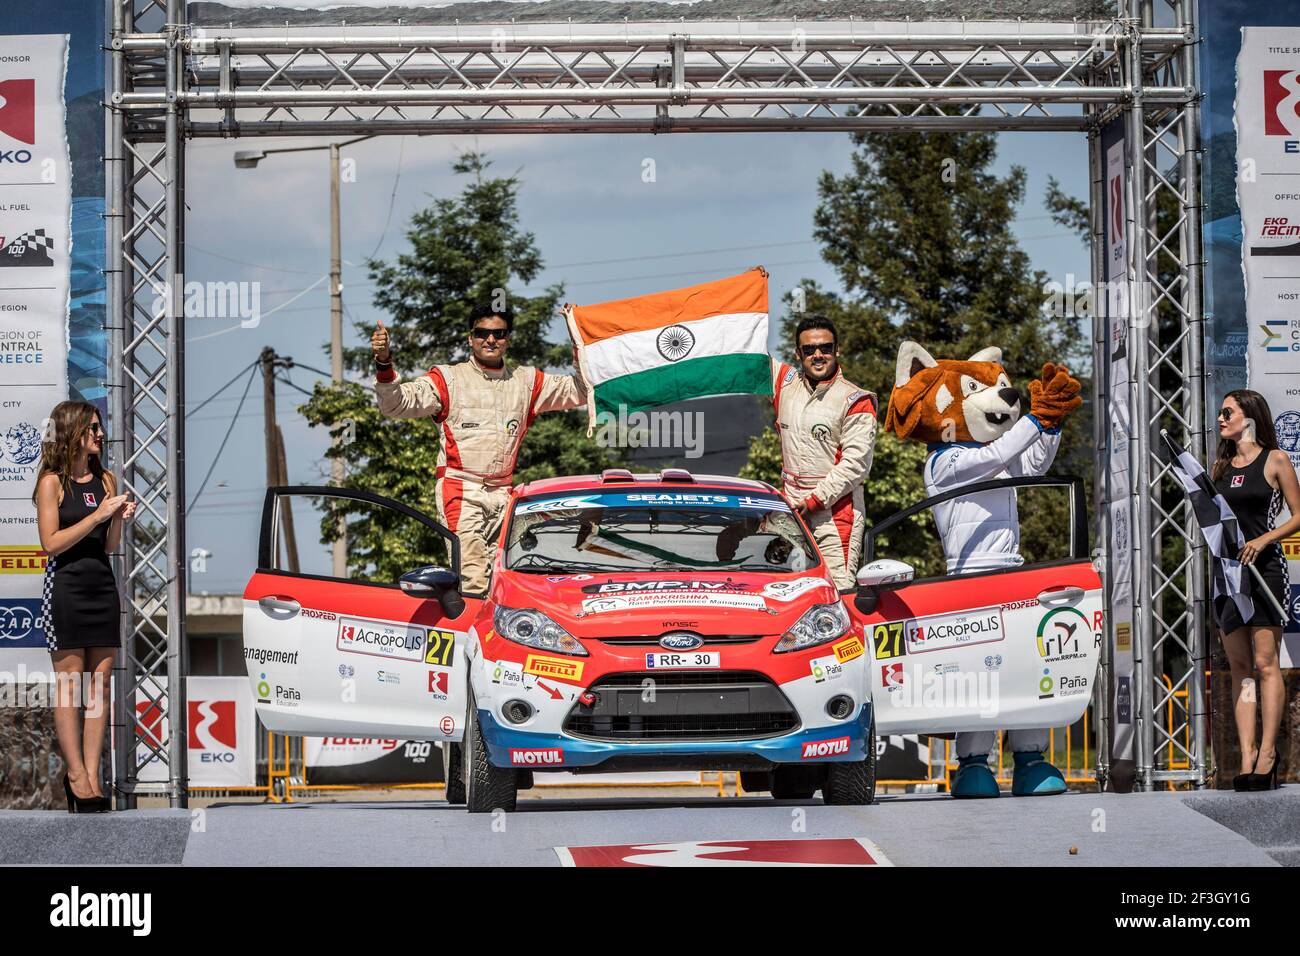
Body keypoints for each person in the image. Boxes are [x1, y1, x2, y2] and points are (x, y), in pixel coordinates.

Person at [372, 301, 587, 593]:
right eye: (482, 333)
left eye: (498, 333)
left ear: (508, 339)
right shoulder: (447, 378)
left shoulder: (527, 381)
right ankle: (471, 638)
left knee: (507, 580)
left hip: (504, 494)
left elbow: (581, 390)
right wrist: (384, 363)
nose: (490, 339)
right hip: (461, 489)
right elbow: (395, 404)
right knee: (472, 579)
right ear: (470, 338)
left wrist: (578, 336)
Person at [34, 401, 135, 813]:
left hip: (101, 587)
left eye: (100, 427)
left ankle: (93, 777)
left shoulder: (106, 478)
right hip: (66, 588)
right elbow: (50, 543)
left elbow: (109, 547)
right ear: (72, 431)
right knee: (70, 685)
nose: (99, 434)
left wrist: (117, 519)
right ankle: (74, 775)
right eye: (92, 427)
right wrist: (97, 516)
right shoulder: (51, 482)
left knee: (100, 686)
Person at [1212, 389, 1300, 792]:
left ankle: (1268, 755)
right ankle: (1247, 756)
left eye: (1228, 412)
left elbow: (1299, 516)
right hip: (1229, 575)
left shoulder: (1276, 459)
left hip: (1265, 569)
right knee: (1241, 670)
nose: (1221, 418)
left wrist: (1263, 540)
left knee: (1266, 665)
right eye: (1219, 412)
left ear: (1249, 416)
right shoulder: (1220, 465)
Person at [766, 316, 878, 589]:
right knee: (782, 591)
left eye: (826, 348)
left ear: (837, 350)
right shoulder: (783, 383)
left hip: (835, 514)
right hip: (790, 511)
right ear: (798, 354)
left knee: (836, 592)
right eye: (809, 350)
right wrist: (744, 298)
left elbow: (855, 465)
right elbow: (750, 355)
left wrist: (814, 502)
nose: (818, 355)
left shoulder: (856, 399)